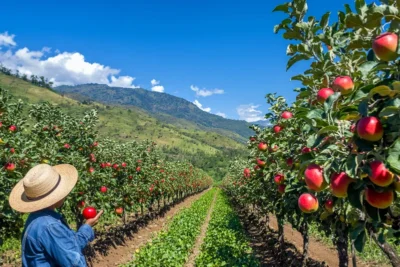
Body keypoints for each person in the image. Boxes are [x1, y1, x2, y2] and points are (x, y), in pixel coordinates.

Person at [8, 163, 103, 266]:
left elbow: (69, 245)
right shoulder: (50, 226)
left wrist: (87, 227)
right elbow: (73, 263)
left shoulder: (36, 218)